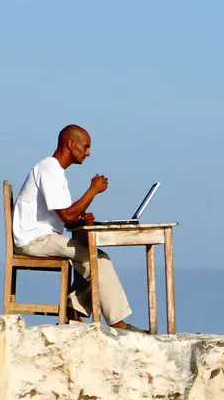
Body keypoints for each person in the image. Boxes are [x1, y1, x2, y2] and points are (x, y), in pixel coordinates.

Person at [11, 125, 134, 329]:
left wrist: (80, 219)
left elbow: (66, 217)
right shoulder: (49, 170)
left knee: (92, 254)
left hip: (44, 236)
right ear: (70, 143)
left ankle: (73, 310)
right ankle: (118, 323)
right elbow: (67, 215)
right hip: (34, 240)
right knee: (98, 260)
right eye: (85, 147)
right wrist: (92, 191)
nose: (88, 153)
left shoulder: (54, 171)